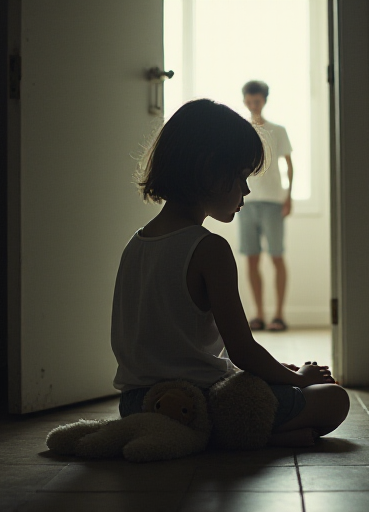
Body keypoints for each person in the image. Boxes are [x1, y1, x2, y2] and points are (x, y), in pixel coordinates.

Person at [111, 99, 349, 446]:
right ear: (209, 170)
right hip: (200, 404)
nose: (247, 191)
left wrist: (285, 371)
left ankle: (190, 435)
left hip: (137, 405)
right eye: (240, 177)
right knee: (333, 399)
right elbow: (242, 350)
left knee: (275, 381)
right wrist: (299, 380)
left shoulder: (136, 244)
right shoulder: (209, 248)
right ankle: (232, 438)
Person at [238, 80, 293, 332]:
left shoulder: (277, 130)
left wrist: (288, 196)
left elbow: (289, 165)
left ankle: (279, 315)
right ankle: (258, 314)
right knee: (251, 258)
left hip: (273, 201)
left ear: (264, 100)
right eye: (249, 101)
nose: (253, 105)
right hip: (247, 202)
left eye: (256, 101)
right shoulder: (240, 130)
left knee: (276, 256)